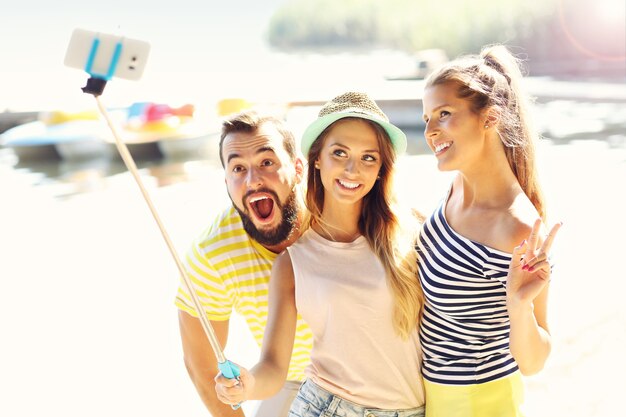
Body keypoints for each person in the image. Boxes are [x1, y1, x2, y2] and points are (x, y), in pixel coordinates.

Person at [215, 92, 426, 416]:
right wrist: (248, 384)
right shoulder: (293, 263)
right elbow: (273, 366)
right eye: (339, 153)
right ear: (316, 158)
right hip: (327, 407)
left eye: (368, 157)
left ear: (382, 167)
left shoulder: (415, 230)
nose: (352, 169)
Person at [418, 44, 562, 416]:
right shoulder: (455, 188)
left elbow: (535, 360)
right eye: (426, 118)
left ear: (490, 117)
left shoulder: (518, 227)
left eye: (444, 114)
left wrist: (518, 305)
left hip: (479, 403)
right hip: (433, 398)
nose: (430, 131)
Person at [175, 111, 313, 417]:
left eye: (267, 162)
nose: (253, 180)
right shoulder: (212, 254)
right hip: (290, 381)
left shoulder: (336, 209)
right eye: (238, 168)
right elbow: (201, 364)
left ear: (298, 168)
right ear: (226, 181)